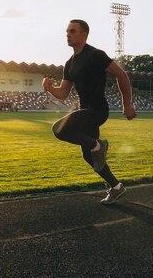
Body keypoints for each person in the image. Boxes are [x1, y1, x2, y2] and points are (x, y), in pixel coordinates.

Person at [43, 19, 137, 205]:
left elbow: (122, 75)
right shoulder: (69, 64)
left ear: (84, 35)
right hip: (85, 110)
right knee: (89, 155)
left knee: (59, 129)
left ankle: (99, 146)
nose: (67, 34)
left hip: (98, 110)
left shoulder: (95, 55)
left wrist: (127, 104)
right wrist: (50, 88)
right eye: (67, 31)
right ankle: (116, 187)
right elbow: (63, 93)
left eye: (72, 31)